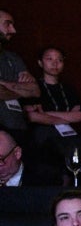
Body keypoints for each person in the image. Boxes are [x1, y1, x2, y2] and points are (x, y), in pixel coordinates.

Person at [24, 46, 81, 135]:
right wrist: (67, 116)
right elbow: (32, 116)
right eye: (49, 59)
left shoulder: (69, 88)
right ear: (40, 63)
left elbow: (80, 116)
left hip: (71, 134)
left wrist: (44, 114)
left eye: (59, 60)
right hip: (44, 135)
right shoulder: (32, 87)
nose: (55, 63)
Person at [0, 9, 38, 139]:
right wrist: (20, 89)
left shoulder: (13, 58)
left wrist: (4, 83)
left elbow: (35, 90)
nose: (13, 30)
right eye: (8, 24)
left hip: (19, 127)